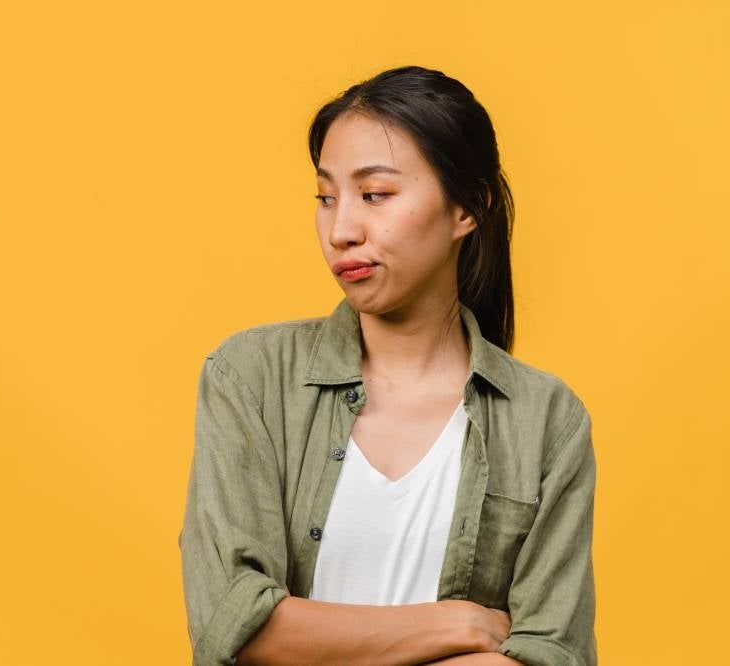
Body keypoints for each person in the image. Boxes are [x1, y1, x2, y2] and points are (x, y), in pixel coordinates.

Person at [178, 65, 597, 666]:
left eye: (374, 195)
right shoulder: (250, 378)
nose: (341, 229)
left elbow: (553, 653)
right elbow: (232, 624)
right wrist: (454, 625)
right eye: (326, 198)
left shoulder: (547, 421)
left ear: (467, 208)